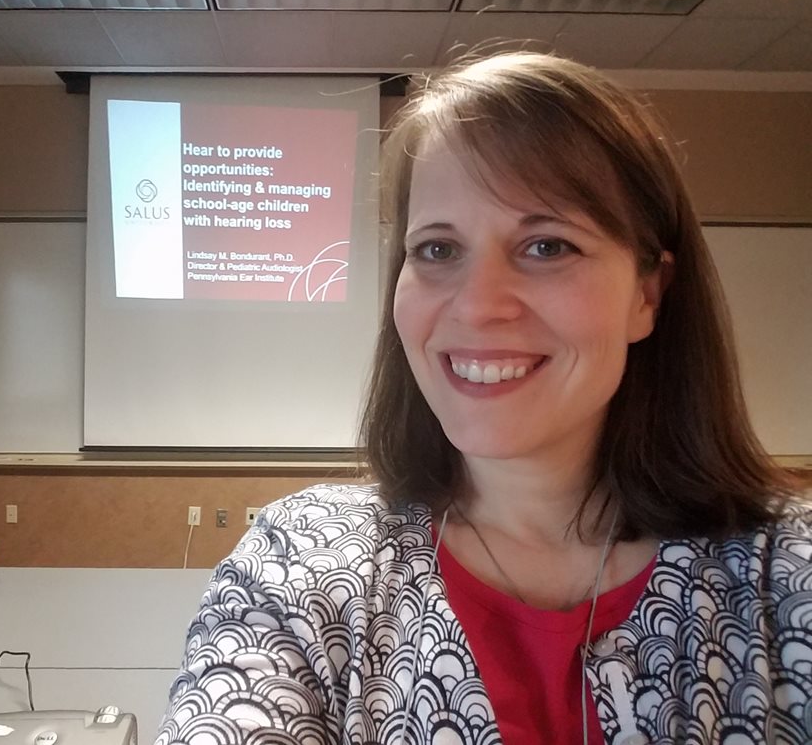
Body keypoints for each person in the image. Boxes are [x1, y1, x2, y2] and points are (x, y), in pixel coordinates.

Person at [154, 53, 811, 745]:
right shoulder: (301, 565)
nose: (478, 305)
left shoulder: (781, 575)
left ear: (646, 294)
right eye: (437, 250)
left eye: (547, 245)